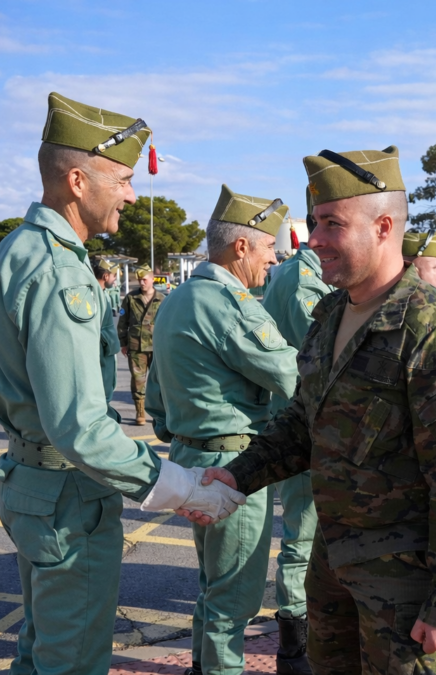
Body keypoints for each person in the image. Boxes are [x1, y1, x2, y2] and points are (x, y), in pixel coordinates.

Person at [187, 146, 436, 674]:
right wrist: (236, 477)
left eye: (332, 224)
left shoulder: (434, 326)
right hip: (333, 566)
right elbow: (303, 422)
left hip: (405, 585)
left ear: (382, 227)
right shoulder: (332, 312)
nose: (314, 240)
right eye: (315, 223)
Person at [0, 91, 245, 675]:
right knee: (72, 661)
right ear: (77, 181)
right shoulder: (58, 269)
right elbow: (81, 428)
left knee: (41, 648)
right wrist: (184, 488)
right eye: (121, 179)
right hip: (67, 497)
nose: (131, 193)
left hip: (30, 482)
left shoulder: (15, 249)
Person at [145, 184, 298, 675]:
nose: (275, 258)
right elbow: (291, 376)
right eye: (270, 247)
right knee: (234, 602)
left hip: (191, 461)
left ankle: (200, 666)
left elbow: (155, 404)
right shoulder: (230, 304)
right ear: (241, 247)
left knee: (212, 588)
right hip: (232, 469)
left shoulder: (177, 298)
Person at [258, 195, 333, 675]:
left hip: (293, 418)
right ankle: (294, 642)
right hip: (305, 422)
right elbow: (322, 349)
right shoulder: (305, 277)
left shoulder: (287, 272)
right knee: (303, 534)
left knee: (306, 532)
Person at [119, 263, 164, 425]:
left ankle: (160, 412)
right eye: (139, 280)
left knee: (159, 380)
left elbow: (167, 324)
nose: (141, 283)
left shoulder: (162, 299)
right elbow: (122, 323)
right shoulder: (131, 298)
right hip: (136, 346)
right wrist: (123, 343)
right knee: (138, 380)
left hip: (156, 346)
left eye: (144, 279)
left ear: (152, 279)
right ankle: (140, 412)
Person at [91, 258, 122, 402]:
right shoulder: (93, 296)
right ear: (105, 276)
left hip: (107, 350)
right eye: (114, 276)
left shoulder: (102, 294)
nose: (114, 280)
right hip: (102, 351)